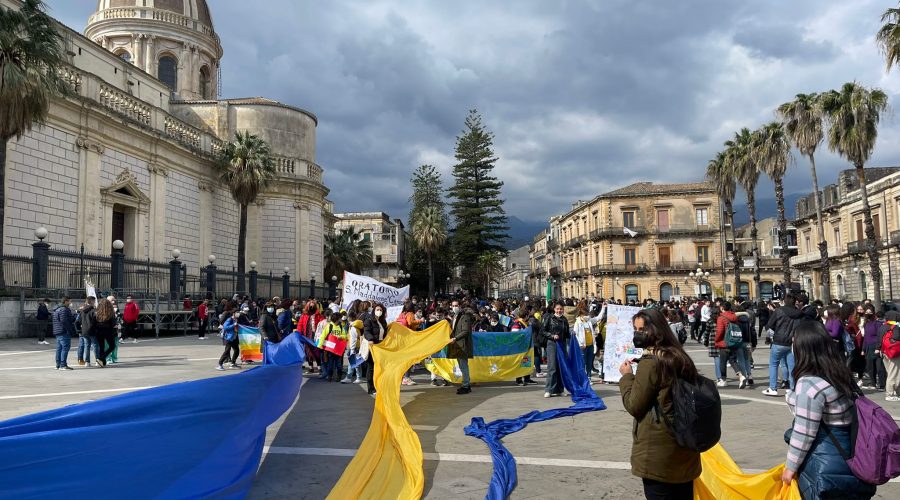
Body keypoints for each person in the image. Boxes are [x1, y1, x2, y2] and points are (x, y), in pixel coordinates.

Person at [781, 323, 877, 499]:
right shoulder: (838, 372)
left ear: (803, 348)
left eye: (794, 342)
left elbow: (804, 432)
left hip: (828, 459)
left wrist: (790, 468)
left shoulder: (809, 384)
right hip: (852, 453)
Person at [619, 309, 701, 499]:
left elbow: (634, 405)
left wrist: (627, 377)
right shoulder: (678, 355)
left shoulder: (651, 363)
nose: (638, 334)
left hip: (659, 453)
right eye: (635, 329)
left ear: (655, 330)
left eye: (642, 329)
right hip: (685, 446)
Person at [762, 293, 803, 396]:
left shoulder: (779, 311)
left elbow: (769, 325)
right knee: (792, 366)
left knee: (773, 364)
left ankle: (773, 388)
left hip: (779, 341)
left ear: (784, 301)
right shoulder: (799, 313)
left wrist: (776, 331)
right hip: (793, 342)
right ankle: (792, 388)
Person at [541, 302, 570, 398]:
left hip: (562, 344)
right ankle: (549, 389)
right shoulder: (549, 318)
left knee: (561, 367)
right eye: (557, 309)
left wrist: (572, 334)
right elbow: (543, 331)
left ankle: (559, 390)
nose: (559, 310)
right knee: (552, 367)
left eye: (561, 309)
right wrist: (552, 336)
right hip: (552, 344)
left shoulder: (564, 319)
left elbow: (566, 333)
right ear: (554, 309)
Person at [446, 299, 475, 395]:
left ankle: (466, 385)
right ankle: (465, 384)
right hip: (458, 345)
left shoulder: (464, 317)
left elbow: (465, 331)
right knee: (462, 366)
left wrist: (455, 338)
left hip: (462, 345)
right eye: (453, 305)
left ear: (460, 306)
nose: (455, 307)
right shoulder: (455, 316)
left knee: (464, 366)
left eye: (456, 305)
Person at [363, 303, 389, 395]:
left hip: (381, 346)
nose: (379, 311)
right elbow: (366, 331)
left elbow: (385, 333)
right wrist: (370, 339)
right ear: (374, 310)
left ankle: (379, 386)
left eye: (381, 310)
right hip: (373, 346)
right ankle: (371, 389)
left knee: (381, 367)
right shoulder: (369, 320)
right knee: (371, 367)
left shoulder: (383, 322)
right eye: (377, 309)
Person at [92, 298, 118, 368]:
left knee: (101, 347)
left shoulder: (97, 313)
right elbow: (113, 324)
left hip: (99, 331)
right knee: (112, 346)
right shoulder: (110, 313)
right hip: (108, 331)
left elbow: (94, 323)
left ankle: (102, 362)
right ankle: (101, 358)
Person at [880, 311, 900, 402]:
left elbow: (878, 339)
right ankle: (890, 393)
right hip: (893, 353)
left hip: (884, 352)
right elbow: (897, 337)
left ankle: (893, 392)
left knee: (890, 373)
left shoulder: (882, 326)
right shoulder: (895, 327)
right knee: (893, 374)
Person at [51, 297, 76, 370]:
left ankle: (58, 365)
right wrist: (70, 330)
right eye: (70, 301)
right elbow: (64, 321)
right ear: (65, 301)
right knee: (65, 347)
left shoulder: (57, 309)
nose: (70, 303)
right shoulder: (64, 309)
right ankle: (63, 365)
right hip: (63, 331)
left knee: (59, 348)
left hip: (58, 331)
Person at [341, 311, 365, 384]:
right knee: (355, 363)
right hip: (357, 346)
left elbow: (353, 338)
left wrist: (352, 349)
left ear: (349, 318)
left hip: (354, 347)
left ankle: (350, 377)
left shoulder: (353, 327)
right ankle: (357, 377)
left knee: (353, 363)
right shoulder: (356, 326)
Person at [77, 297, 96, 366]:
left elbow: (78, 321)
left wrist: (79, 329)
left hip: (84, 331)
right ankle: (97, 360)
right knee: (95, 345)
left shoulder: (82, 310)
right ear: (92, 301)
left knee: (86, 346)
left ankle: (87, 361)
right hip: (92, 330)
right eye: (94, 301)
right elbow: (96, 321)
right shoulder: (93, 310)